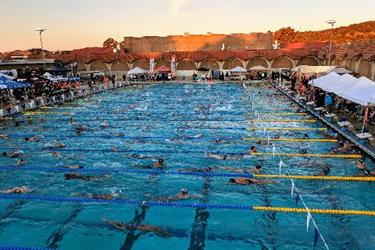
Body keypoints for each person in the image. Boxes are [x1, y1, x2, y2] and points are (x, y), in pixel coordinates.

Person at [105, 219, 171, 238]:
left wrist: (108, 220)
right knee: (153, 229)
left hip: (139, 226)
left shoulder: (125, 225)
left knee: (154, 227)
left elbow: (116, 223)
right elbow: (116, 226)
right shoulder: (124, 228)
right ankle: (165, 235)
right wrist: (108, 222)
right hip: (141, 228)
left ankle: (166, 234)